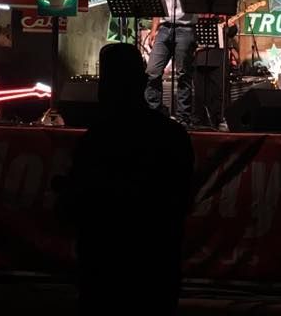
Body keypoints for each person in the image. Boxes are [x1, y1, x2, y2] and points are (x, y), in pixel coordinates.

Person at [58, 43, 194, 316]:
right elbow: (182, 200)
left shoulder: (96, 140)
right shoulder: (173, 136)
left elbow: (77, 207)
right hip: (156, 270)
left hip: (104, 271)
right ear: (141, 83)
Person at [145, 0, 205, 124]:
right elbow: (159, 7)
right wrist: (154, 30)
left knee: (183, 74)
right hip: (165, 29)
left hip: (185, 29)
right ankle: (154, 114)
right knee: (152, 71)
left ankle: (182, 118)